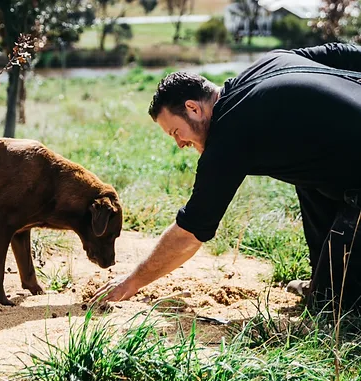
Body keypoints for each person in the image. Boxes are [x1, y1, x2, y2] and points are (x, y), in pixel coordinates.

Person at [93, 42, 361, 314]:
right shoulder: (272, 60)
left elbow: (190, 232)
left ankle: (337, 297)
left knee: (341, 310)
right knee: (308, 177)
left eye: (175, 132)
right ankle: (325, 287)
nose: (180, 144)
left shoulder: (228, 135)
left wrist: (132, 281)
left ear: (193, 108)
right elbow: (342, 52)